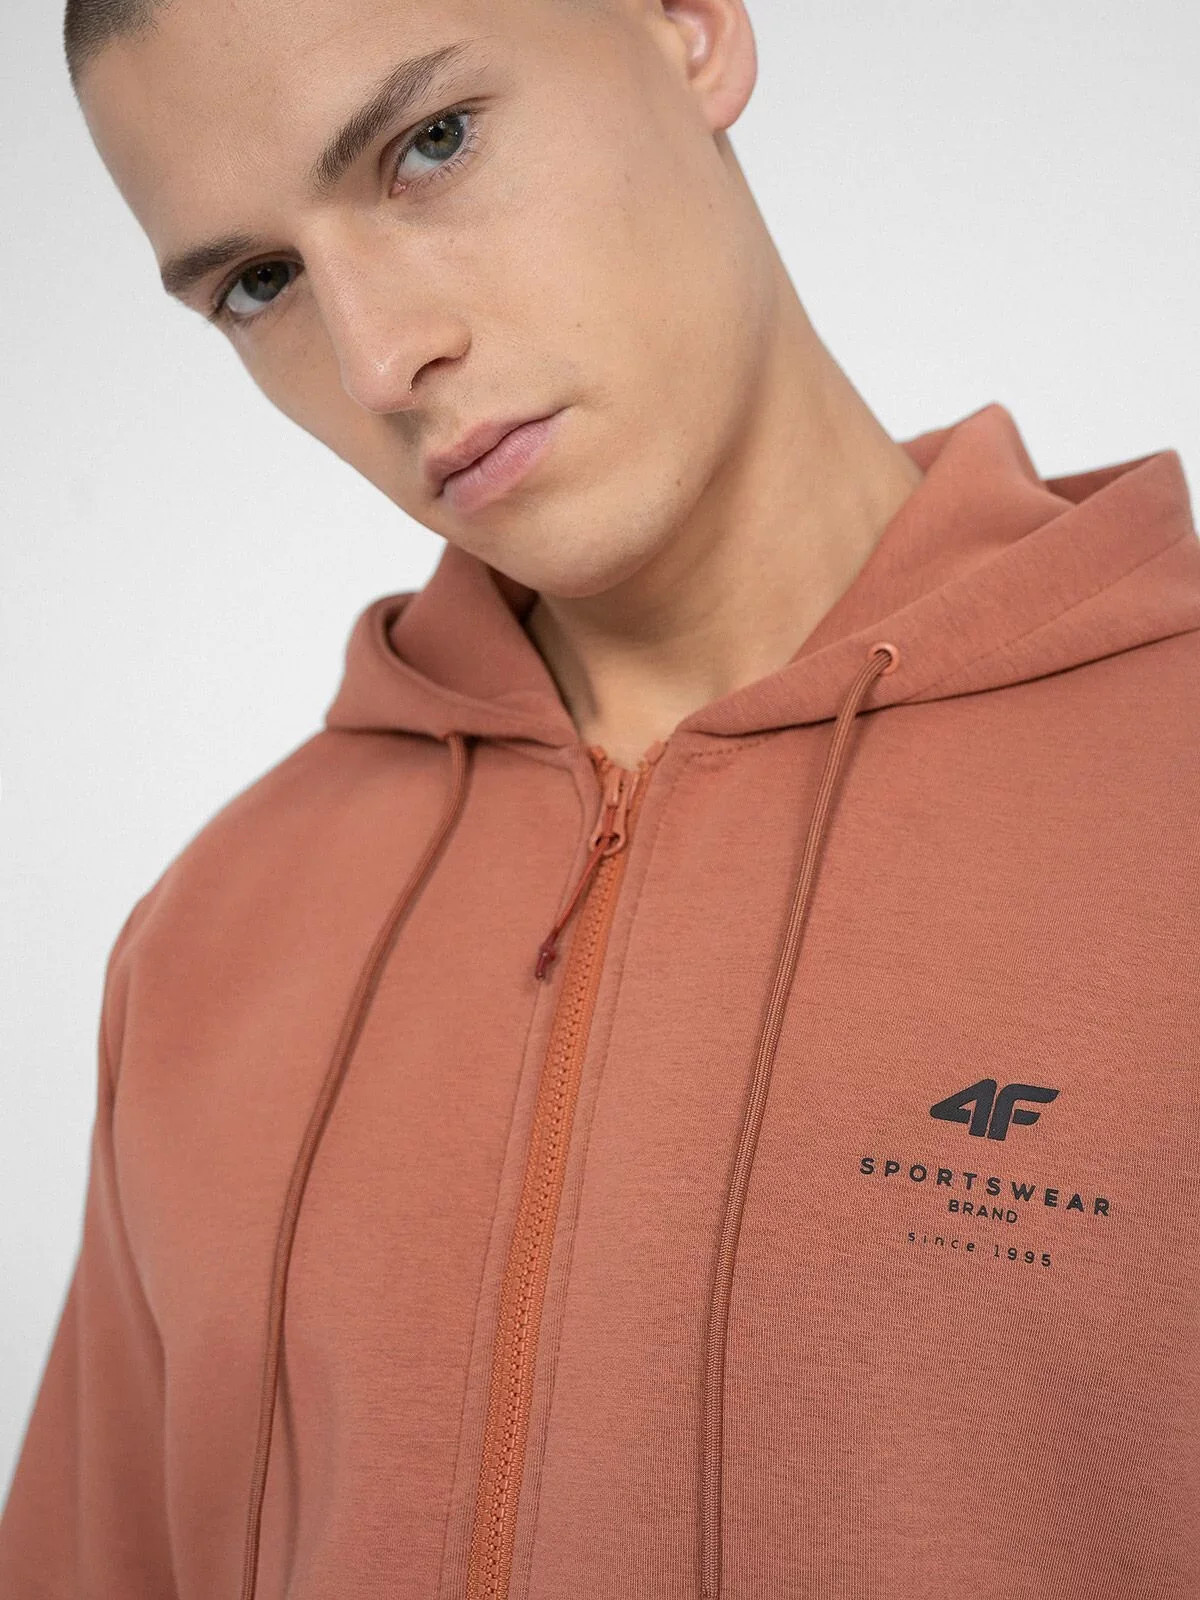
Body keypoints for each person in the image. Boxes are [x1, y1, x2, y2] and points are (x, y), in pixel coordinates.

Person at [3, 0, 1198, 1595]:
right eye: (260, 284)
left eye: (429, 145)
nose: (378, 359)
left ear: (688, 29)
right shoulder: (211, 937)